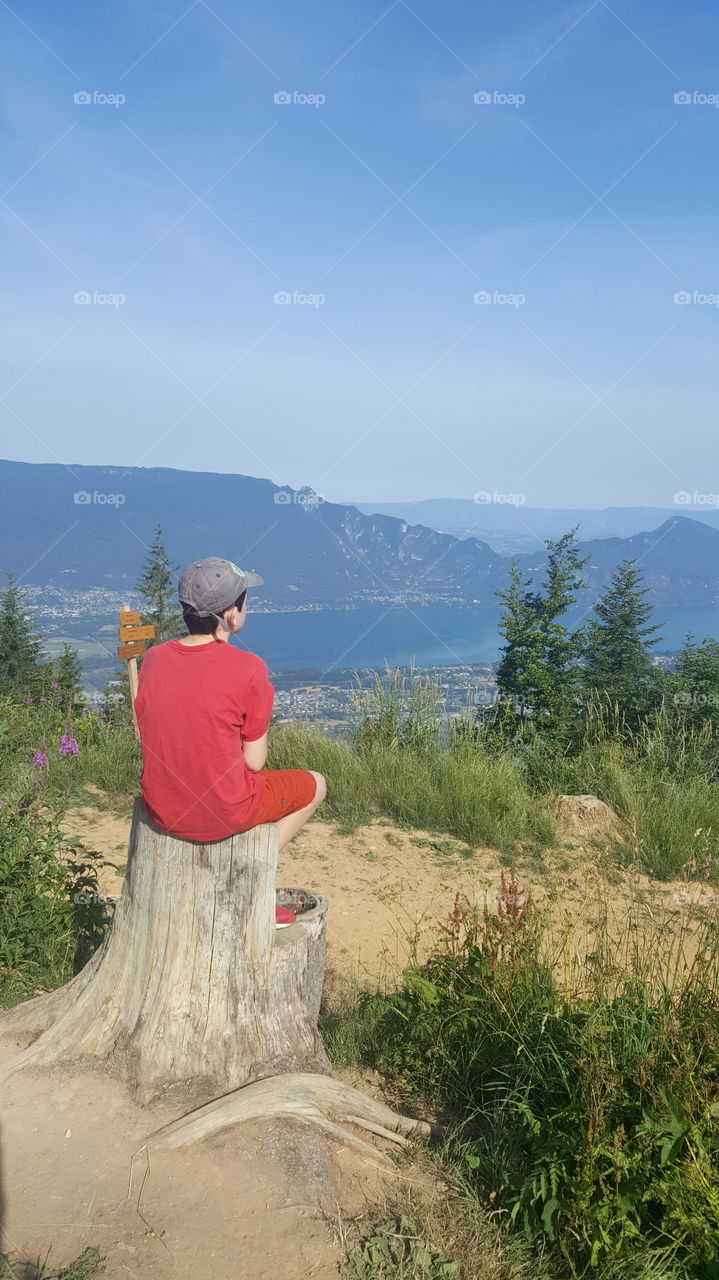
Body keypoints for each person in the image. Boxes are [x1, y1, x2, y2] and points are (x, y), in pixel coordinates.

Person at [135, 558, 326, 922]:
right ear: (231, 615)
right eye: (244, 601)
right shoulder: (248, 668)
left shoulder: (154, 659)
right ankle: (249, 877)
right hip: (224, 810)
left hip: (162, 807)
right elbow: (254, 762)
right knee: (316, 784)